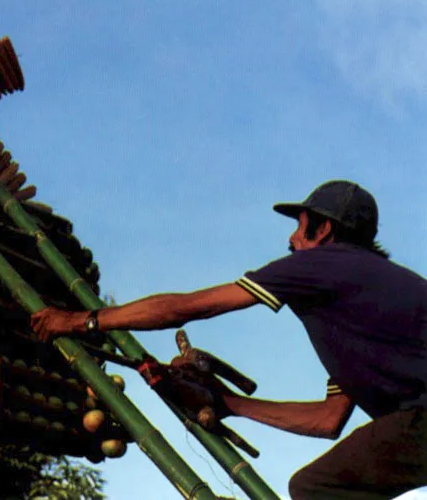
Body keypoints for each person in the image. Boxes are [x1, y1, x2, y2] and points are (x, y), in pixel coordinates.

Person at [30, 180, 426, 499]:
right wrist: (229, 404)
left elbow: (186, 307)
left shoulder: (321, 264)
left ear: (323, 230)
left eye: (300, 225)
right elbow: (328, 418)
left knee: (316, 488)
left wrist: (82, 321)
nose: (291, 238)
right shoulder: (363, 307)